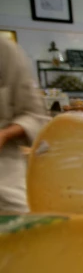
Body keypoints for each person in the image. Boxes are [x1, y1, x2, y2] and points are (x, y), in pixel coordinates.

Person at [0, 38, 48, 213]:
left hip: (5, 173)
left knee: (24, 232)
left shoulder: (5, 52)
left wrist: (5, 134)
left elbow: (36, 116)